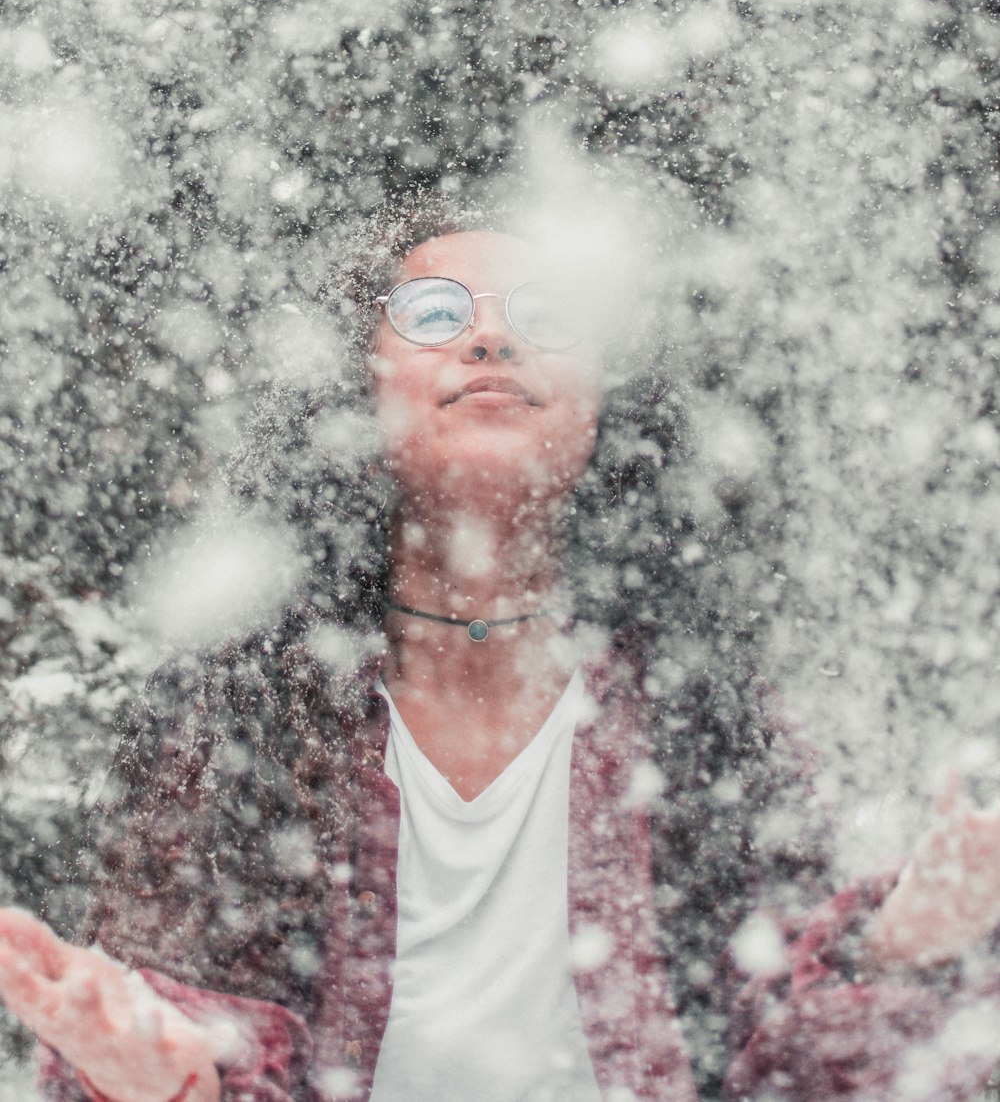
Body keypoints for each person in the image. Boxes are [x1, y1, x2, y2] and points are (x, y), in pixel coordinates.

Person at [3, 198, 1000, 1102]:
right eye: (435, 313)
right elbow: (185, 1033)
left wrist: (907, 944)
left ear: (599, 400)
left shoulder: (699, 713)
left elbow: (784, 1063)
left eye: (545, 317)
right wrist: (157, 1077)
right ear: (364, 390)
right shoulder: (243, 713)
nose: (489, 336)